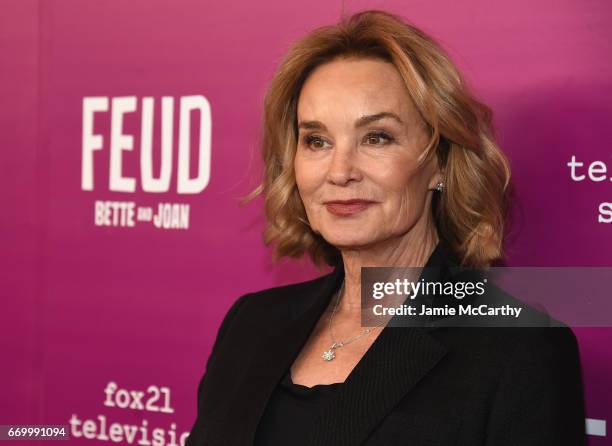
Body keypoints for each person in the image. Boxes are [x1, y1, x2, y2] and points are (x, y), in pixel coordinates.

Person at [186, 9, 586, 446]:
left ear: (440, 161)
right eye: (316, 141)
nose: (339, 172)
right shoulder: (251, 323)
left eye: (377, 137)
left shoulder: (518, 352)